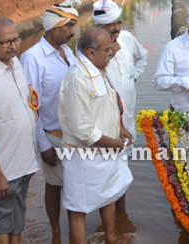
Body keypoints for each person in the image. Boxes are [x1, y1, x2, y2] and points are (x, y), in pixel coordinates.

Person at [58, 28, 133, 244]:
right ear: (91, 52)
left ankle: (111, 238)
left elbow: (107, 105)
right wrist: (115, 144)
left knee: (108, 196)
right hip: (84, 158)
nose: (112, 53)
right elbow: (83, 130)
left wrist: (119, 129)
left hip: (107, 151)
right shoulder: (77, 79)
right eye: (107, 49)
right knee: (78, 208)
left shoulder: (100, 70)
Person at [20, 0, 80, 244]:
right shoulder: (32, 58)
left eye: (73, 26)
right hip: (52, 135)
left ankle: (74, 230)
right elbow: (30, 106)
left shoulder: (67, 52)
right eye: (68, 26)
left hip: (75, 135)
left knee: (76, 184)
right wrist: (42, 144)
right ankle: (56, 231)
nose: (72, 31)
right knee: (54, 185)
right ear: (53, 27)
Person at [0, 18, 39, 244]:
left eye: (16, 39)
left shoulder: (16, 64)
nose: (13, 45)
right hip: (3, 165)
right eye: (6, 42)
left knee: (18, 209)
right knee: (3, 213)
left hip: (24, 160)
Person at [92, 0, 147, 232]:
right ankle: (109, 222)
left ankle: (120, 216)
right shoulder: (88, 45)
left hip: (128, 118)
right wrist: (109, 54)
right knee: (106, 171)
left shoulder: (128, 39)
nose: (115, 29)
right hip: (104, 123)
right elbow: (89, 77)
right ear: (98, 28)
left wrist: (133, 77)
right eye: (109, 26)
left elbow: (142, 56)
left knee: (124, 170)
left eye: (118, 24)